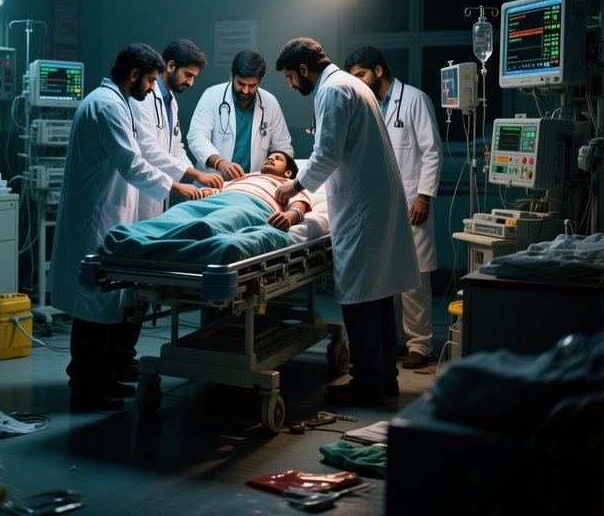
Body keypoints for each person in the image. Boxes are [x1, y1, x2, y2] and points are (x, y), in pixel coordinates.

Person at [48, 43, 204, 412]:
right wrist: (176, 186)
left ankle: (102, 379)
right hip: (96, 216)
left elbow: (144, 157)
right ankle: (85, 387)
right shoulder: (106, 106)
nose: (152, 88)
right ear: (134, 75)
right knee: (93, 305)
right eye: (150, 80)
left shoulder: (117, 102)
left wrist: (183, 177)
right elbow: (133, 162)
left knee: (107, 302)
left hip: (113, 211)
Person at [274, 37, 420, 407]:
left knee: (360, 297)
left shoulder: (335, 90)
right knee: (379, 294)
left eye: (291, 77)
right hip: (374, 199)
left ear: (304, 69)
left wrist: (293, 187)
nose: (292, 85)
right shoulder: (352, 85)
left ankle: (367, 384)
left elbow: (326, 154)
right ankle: (384, 378)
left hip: (362, 206)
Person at [344, 46, 443, 370]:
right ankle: (399, 340)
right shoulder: (366, 103)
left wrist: (425, 197)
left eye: (361, 75)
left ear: (379, 70)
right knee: (390, 275)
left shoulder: (414, 99)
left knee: (417, 278)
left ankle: (420, 343)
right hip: (381, 204)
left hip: (412, 200)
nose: (357, 81)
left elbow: (431, 151)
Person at [99, 152, 312, 264]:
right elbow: (213, 192)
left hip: (251, 206)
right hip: (220, 199)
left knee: (209, 225)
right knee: (175, 215)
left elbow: (299, 203)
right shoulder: (245, 177)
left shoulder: (288, 185)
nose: (271, 158)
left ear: (288, 173)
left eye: (278, 158)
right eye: (270, 156)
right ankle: (129, 236)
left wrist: (291, 216)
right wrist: (197, 193)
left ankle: (147, 249)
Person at [132, 39, 224, 221]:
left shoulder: (170, 100)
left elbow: (176, 147)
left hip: (158, 193)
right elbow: (148, 150)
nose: (190, 82)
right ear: (171, 66)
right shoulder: (143, 96)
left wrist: (195, 176)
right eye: (188, 75)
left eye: (194, 77)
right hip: (139, 191)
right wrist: (196, 174)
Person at [188, 50, 293, 180]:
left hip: (251, 186)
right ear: (232, 75)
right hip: (214, 182)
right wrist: (220, 163)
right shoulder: (212, 95)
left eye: (252, 85)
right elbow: (196, 137)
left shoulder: (270, 102)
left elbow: (283, 147)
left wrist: (275, 178)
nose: (245, 90)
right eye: (241, 84)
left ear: (260, 81)